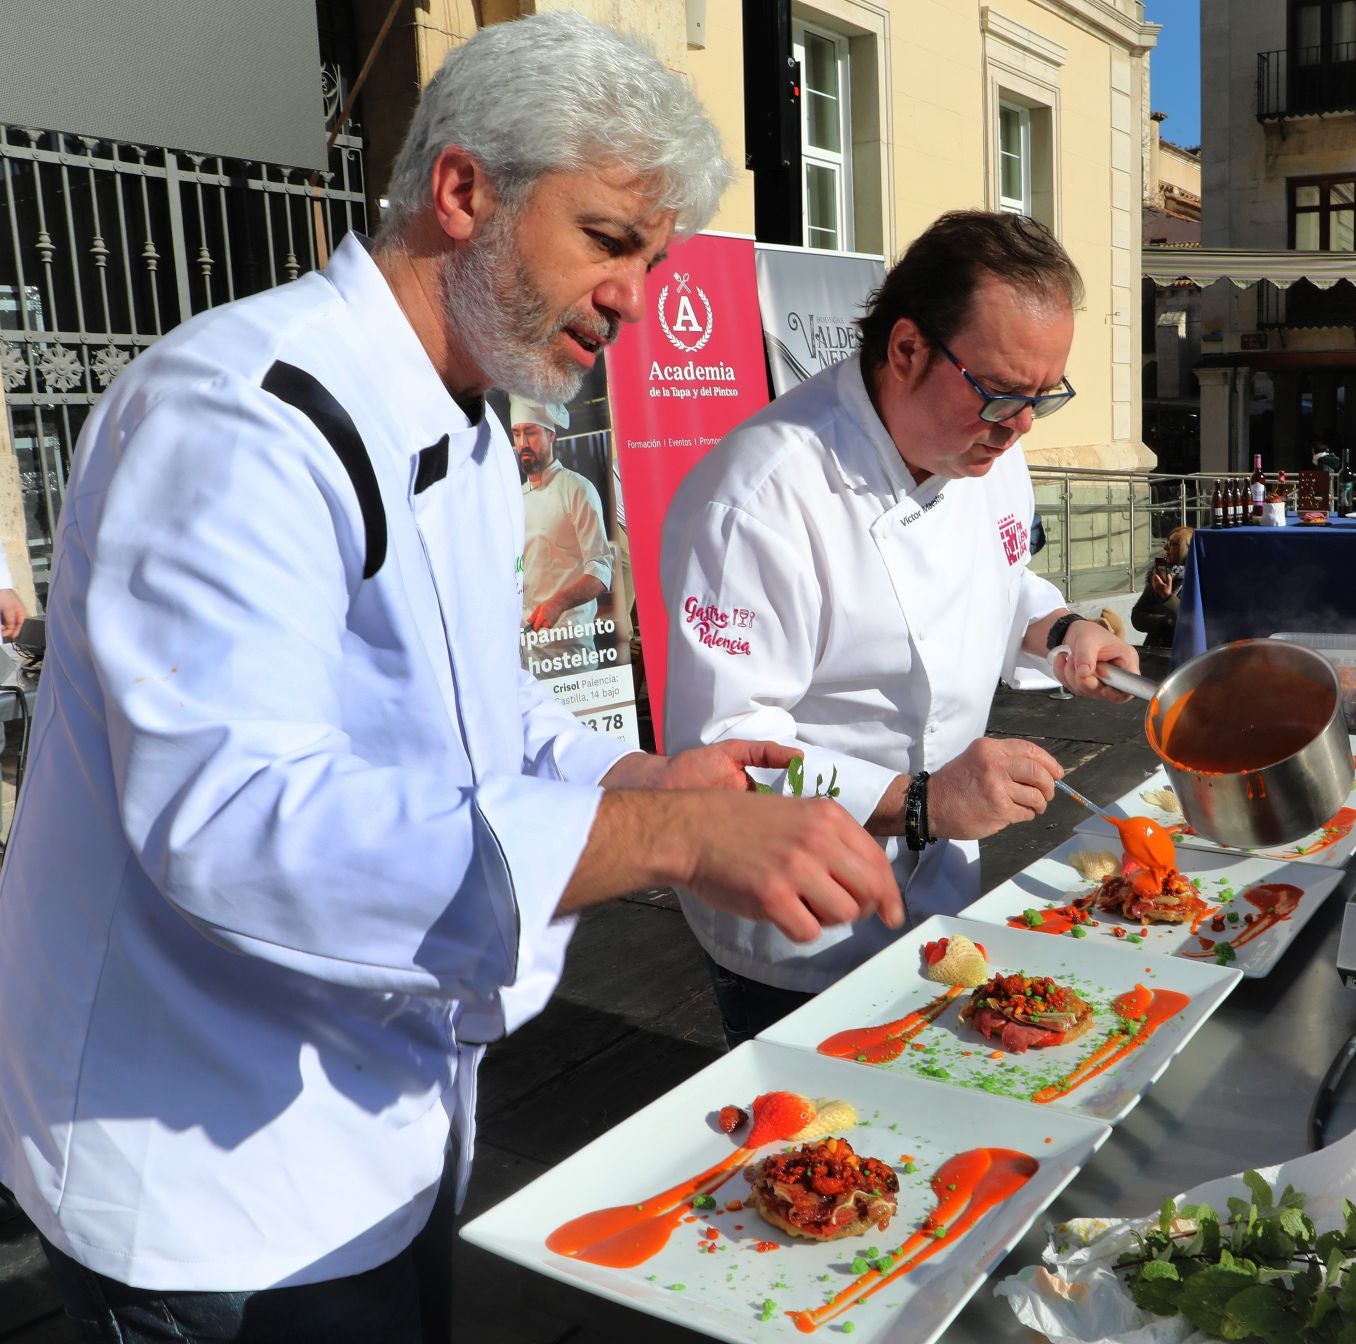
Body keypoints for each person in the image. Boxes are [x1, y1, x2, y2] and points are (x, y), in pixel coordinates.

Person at [0, 15, 900, 1344]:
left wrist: (640, 773)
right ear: (463, 190)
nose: (639, 300)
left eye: (652, 261)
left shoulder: (469, 423)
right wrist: (662, 834)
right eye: (608, 242)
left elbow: (484, 709)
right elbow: (232, 818)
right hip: (216, 1181)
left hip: (387, 1131)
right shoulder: (243, 412)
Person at [660, 210, 1139, 1044]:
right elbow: (725, 757)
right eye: (998, 391)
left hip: (943, 878)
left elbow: (1001, 575)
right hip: (800, 912)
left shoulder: (991, 448)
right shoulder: (761, 498)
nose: (1020, 424)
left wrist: (1061, 630)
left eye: (1042, 397)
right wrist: (921, 800)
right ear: (908, 349)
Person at [513, 395, 616, 670]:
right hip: (527, 655)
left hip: (570, 652)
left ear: (551, 436)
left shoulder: (577, 489)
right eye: (517, 434)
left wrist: (558, 603)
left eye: (531, 433)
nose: (522, 443)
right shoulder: (515, 499)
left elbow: (601, 571)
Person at [1131, 526, 1194, 649]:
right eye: (1167, 543)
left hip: (1181, 651)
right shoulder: (1159, 575)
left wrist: (1167, 597)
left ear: (1188, 549)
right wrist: (1165, 622)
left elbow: (1191, 621)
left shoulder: (1195, 579)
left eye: (1173, 544)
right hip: (1154, 648)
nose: (1166, 548)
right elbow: (1137, 616)